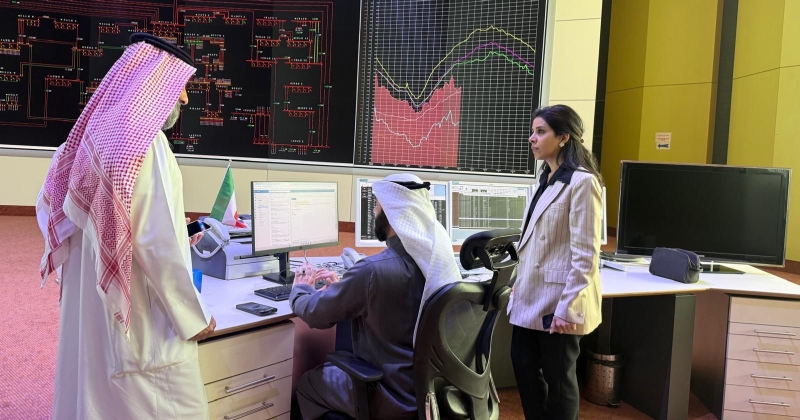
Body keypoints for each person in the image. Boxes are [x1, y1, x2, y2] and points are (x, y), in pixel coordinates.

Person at [36, 33, 216, 419]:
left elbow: (50, 209)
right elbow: (158, 243)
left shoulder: (90, 137)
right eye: (180, 86)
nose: (185, 99)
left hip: (90, 304)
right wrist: (193, 316)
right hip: (137, 327)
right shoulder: (148, 147)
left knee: (94, 395)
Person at [290, 173, 460, 420]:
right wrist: (347, 288)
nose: (374, 211)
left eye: (377, 205)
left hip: (388, 395)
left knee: (308, 383)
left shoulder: (371, 270)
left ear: (390, 212)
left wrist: (301, 289)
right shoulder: (440, 264)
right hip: (431, 394)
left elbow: (316, 314)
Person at [509, 104, 603, 419]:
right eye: (532, 131)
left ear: (563, 137)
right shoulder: (545, 179)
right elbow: (535, 241)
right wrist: (517, 281)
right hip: (532, 293)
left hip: (560, 301)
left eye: (541, 131)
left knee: (559, 380)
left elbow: (585, 254)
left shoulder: (583, 182)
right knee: (522, 364)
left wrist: (568, 307)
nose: (532, 138)